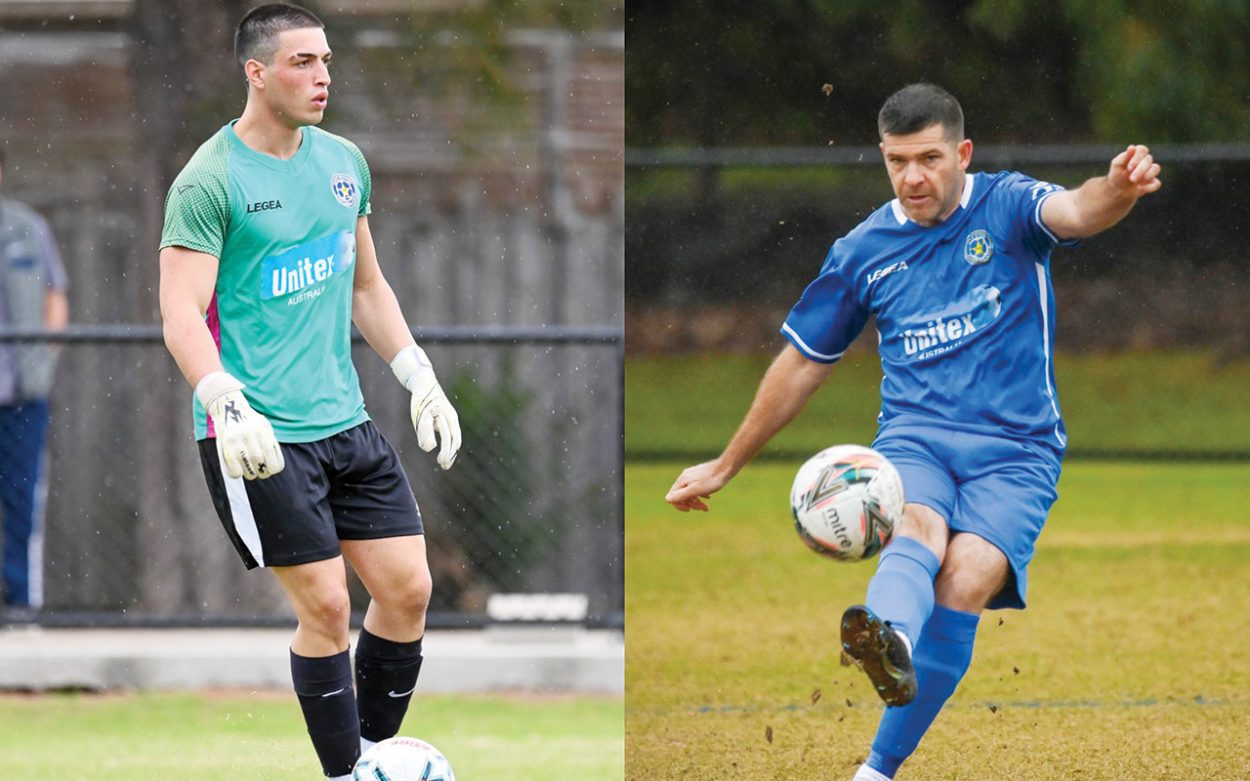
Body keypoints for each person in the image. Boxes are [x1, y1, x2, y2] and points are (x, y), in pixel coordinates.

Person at [665, 83, 1161, 780]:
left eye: (929, 158)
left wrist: (1119, 187)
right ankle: (889, 636)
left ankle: (877, 767)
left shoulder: (1009, 206)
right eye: (898, 161)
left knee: (967, 578)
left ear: (962, 153)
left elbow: (1077, 210)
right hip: (915, 440)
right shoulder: (864, 250)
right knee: (917, 527)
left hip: (1017, 452)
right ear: (883, 158)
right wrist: (725, 463)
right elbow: (803, 364)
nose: (913, 177)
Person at [158, 5, 462, 779]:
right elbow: (180, 315)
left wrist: (417, 372)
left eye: (325, 60)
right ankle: (348, 774)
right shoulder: (210, 179)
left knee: (408, 590)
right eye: (301, 62)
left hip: (346, 423)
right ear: (256, 73)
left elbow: (367, 286)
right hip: (258, 437)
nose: (322, 76)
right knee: (327, 606)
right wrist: (226, 400)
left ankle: (365, 758)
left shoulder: (343, 162)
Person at [0, 146, 70, 618]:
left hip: (22, 394)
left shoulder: (26, 226)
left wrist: (45, 358)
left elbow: (55, 295)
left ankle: (21, 603)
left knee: (22, 498)